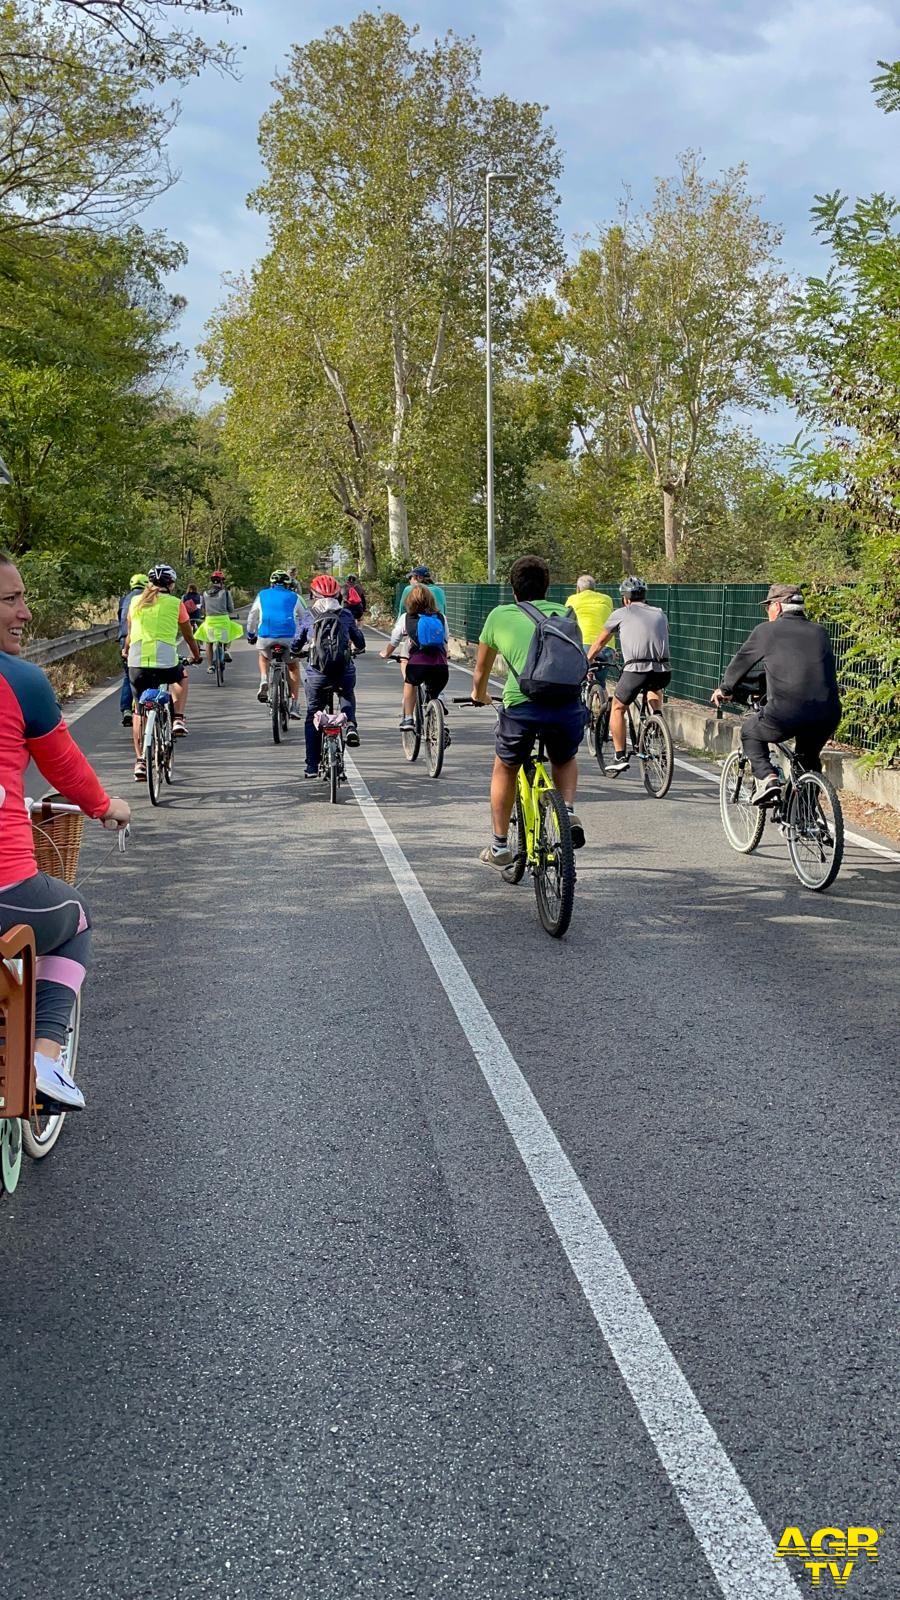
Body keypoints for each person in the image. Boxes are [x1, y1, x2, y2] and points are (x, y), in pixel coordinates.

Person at [0, 553, 130, 1109]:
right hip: (7, 890)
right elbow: (65, 768)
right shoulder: (19, 680)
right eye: (11, 599)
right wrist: (106, 807)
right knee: (73, 918)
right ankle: (43, 1063)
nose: (26, 612)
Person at [470, 554, 586, 866]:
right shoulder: (565, 613)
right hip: (567, 702)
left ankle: (498, 846)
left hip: (523, 706)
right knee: (564, 757)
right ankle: (569, 811)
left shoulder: (499, 615)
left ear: (514, 589)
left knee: (505, 767)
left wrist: (479, 695)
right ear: (547, 587)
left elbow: (481, 671)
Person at [711, 583, 842, 804]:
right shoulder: (820, 632)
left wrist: (725, 688)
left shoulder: (766, 631)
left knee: (750, 732)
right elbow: (797, 670)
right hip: (827, 713)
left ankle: (767, 779)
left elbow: (741, 663)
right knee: (807, 761)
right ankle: (806, 819)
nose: (767, 612)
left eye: (768, 606)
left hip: (786, 712)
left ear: (779, 607)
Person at [587, 576, 671, 773]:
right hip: (663, 670)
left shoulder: (620, 613)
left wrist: (586, 662)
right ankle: (657, 722)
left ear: (625, 599)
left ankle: (619, 755)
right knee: (653, 687)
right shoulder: (660, 613)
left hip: (635, 670)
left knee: (617, 708)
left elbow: (599, 643)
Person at [126, 564, 200, 775]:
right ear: (171, 584)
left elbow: (131, 634)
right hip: (166, 661)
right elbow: (188, 635)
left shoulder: (135, 601)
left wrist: (125, 650)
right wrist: (196, 656)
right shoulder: (176, 603)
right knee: (181, 677)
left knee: (139, 710)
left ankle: (140, 760)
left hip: (137, 662)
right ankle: (178, 718)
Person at [294, 574, 366, 776]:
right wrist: (356, 647)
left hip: (317, 675)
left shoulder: (310, 616)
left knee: (313, 714)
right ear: (338, 595)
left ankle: (311, 766)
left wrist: (296, 650)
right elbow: (360, 642)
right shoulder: (345, 615)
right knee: (346, 694)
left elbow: (296, 642)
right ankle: (350, 724)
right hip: (343, 671)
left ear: (314, 595)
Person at [380, 585, 449, 728]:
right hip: (440, 666)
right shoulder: (441, 618)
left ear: (409, 601)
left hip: (418, 665)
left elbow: (395, 640)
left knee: (410, 683)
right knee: (435, 692)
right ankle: (440, 715)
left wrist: (386, 653)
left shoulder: (406, 618)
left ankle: (409, 718)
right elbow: (445, 640)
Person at [246, 570, 307, 718]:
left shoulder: (262, 595)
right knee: (293, 667)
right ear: (288, 585)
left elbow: (252, 616)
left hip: (266, 636)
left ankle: (264, 680)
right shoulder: (295, 597)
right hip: (288, 637)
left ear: (271, 583)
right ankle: (294, 705)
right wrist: (305, 639)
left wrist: (251, 634)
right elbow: (304, 620)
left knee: (264, 656)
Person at [117, 572, 148, 727]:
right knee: (147, 673)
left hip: (123, 639)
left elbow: (120, 619)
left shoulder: (124, 599)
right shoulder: (147, 599)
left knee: (128, 675)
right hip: (139, 638)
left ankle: (126, 710)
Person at [198, 570, 241, 670]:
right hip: (223, 620)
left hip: (210, 620)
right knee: (230, 631)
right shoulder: (225, 592)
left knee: (209, 642)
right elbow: (231, 608)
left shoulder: (204, 593)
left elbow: (203, 608)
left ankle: (209, 666)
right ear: (222, 582)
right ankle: (225, 649)